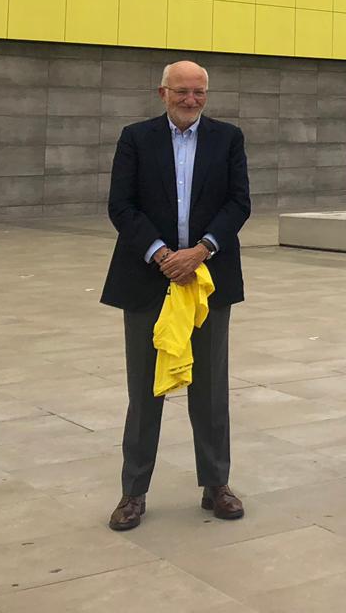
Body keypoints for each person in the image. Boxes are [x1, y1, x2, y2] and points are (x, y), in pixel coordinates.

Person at [100, 60, 250, 531]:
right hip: (148, 279)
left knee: (210, 389)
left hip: (208, 281)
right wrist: (163, 254)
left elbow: (239, 202)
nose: (191, 100)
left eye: (199, 93)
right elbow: (120, 205)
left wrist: (201, 251)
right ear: (162, 92)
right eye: (182, 92)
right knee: (145, 391)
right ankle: (133, 493)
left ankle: (216, 485)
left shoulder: (228, 139)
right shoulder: (136, 138)